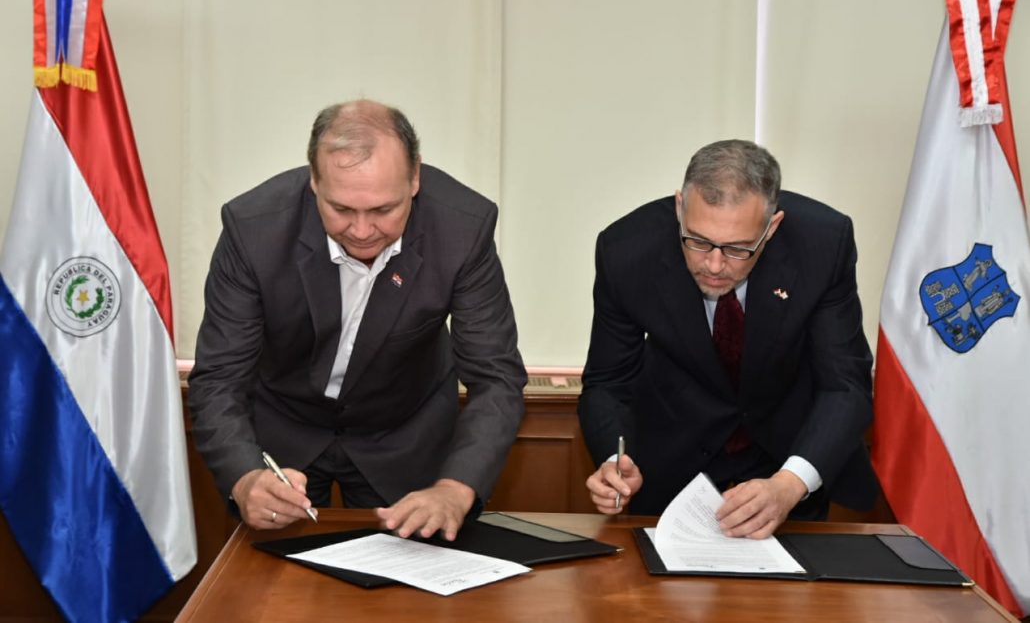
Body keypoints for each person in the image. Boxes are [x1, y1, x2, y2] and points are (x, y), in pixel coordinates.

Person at [188, 99, 526, 540]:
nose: (362, 231)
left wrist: (455, 488)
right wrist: (245, 477)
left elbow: (496, 376)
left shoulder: (462, 229)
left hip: (404, 434)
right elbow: (219, 376)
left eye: (384, 210)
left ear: (415, 178)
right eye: (342, 209)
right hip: (283, 436)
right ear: (314, 180)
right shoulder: (253, 229)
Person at [578, 139, 878, 538]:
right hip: (672, 463)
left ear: (771, 227)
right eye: (698, 241)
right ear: (680, 208)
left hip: (785, 461)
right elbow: (608, 383)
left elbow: (845, 385)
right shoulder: (627, 251)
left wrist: (790, 483)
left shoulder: (822, 243)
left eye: (738, 249)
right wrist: (615, 460)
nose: (715, 265)